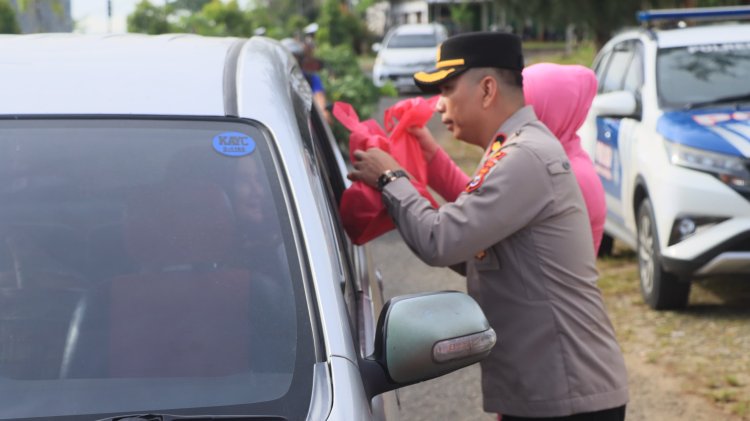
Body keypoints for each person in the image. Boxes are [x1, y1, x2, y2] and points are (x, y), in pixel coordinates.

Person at [348, 32, 628, 420]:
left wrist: (391, 179)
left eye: (447, 89)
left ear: (487, 89)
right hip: (550, 390)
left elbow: (441, 240)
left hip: (566, 395)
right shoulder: (510, 150)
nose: (439, 104)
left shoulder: (524, 157)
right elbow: (469, 248)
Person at [409, 62, 606, 254]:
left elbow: (479, 217)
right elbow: (486, 205)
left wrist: (392, 182)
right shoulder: (551, 159)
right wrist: (432, 157)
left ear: (543, 111)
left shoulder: (559, 171)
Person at [280, 37, 331, 124]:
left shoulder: (310, 78)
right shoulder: (277, 81)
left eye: (295, 57)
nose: (292, 61)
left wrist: (323, 113)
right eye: (288, 58)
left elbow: (319, 99)